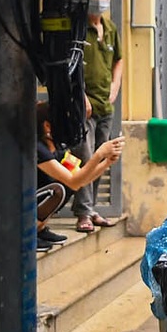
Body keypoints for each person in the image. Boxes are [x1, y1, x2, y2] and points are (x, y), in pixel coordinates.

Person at [36, 103, 124, 251]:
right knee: (58, 189)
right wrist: (99, 154)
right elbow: (74, 182)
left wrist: (107, 162)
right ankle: (31, 232)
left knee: (66, 186)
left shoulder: (58, 149)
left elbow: (81, 178)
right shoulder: (39, 149)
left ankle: (40, 229)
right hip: (18, 209)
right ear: (47, 126)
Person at [73, 0, 123, 233]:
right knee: (86, 155)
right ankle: (82, 212)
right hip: (85, 107)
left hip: (106, 106)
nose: (101, 0)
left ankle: (91, 209)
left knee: (102, 158)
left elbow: (119, 61)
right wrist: (80, 96)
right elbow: (67, 66)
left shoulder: (111, 28)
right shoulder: (78, 28)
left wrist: (115, 87)